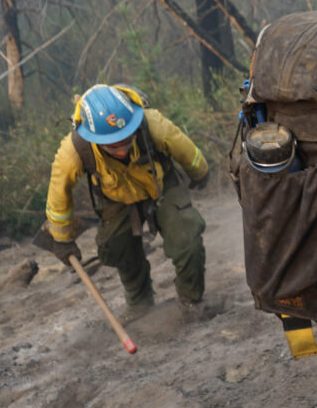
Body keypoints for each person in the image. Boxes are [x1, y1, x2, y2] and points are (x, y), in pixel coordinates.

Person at [42, 84, 211, 318]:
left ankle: (191, 301)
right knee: (118, 248)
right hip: (115, 198)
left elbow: (186, 151)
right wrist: (62, 240)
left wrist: (200, 173)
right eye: (113, 146)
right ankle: (140, 305)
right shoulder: (73, 152)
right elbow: (58, 198)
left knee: (187, 237)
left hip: (161, 186)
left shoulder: (153, 125)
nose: (122, 150)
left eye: (127, 140)